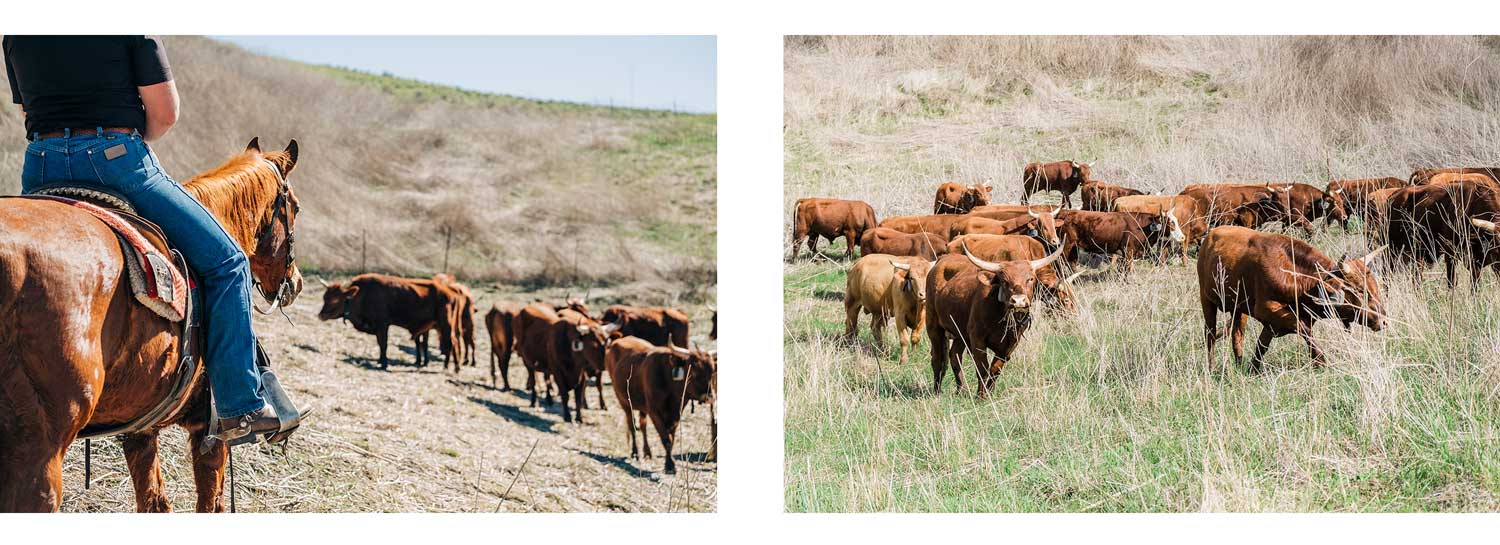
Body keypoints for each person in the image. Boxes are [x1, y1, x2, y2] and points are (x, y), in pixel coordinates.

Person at [4, 36, 279, 442]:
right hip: (117, 160)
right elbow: (164, 114)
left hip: (41, 166)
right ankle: (241, 405)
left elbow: (30, 109)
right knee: (228, 262)